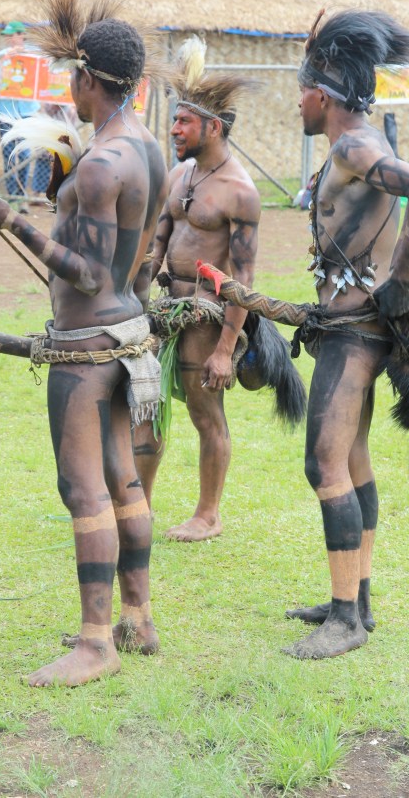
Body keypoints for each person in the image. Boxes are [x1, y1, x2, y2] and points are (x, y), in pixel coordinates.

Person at [0, 0, 169, 687]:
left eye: (71, 80)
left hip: (85, 350)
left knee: (82, 488)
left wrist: (11, 220)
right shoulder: (146, 150)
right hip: (129, 336)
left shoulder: (99, 165)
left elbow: (84, 273)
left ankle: (93, 643)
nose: (67, 93)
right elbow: (127, 265)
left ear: (88, 81)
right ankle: (135, 618)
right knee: (122, 478)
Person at [280, 9, 409, 659]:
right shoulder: (350, 148)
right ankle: (354, 600)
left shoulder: (355, 146)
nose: (296, 100)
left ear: (322, 95)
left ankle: (343, 621)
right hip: (346, 326)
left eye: (302, 89)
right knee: (352, 462)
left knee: (323, 462)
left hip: (355, 334)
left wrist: (401, 283)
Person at [133, 37, 261, 542]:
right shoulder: (179, 174)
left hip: (209, 314)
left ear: (213, 126)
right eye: (174, 120)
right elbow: (157, 242)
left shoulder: (240, 192)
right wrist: (135, 299)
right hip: (166, 309)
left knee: (205, 412)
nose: (174, 129)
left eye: (184, 122)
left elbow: (244, 279)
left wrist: (227, 348)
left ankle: (208, 514)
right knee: (147, 404)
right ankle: (137, 504)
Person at [0, 21, 41, 214]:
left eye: (13, 35)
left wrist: (23, 54)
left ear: (21, 35)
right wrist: (6, 63)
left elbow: (47, 69)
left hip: (27, 113)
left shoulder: (33, 55)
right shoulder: (1, 57)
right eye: (7, 36)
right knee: (9, 155)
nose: (9, 39)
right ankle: (12, 196)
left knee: (26, 154)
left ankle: (22, 197)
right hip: (5, 112)